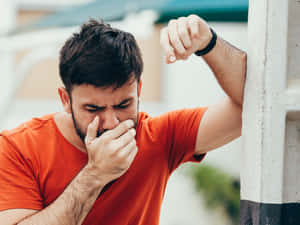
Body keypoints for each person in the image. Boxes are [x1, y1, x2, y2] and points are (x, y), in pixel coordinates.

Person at [0, 14, 246, 225]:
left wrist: (209, 43)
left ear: (138, 91)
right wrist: (95, 174)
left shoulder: (160, 136)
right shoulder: (17, 148)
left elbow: (253, 105)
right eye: (93, 108)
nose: (111, 122)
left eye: (123, 104)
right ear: (65, 100)